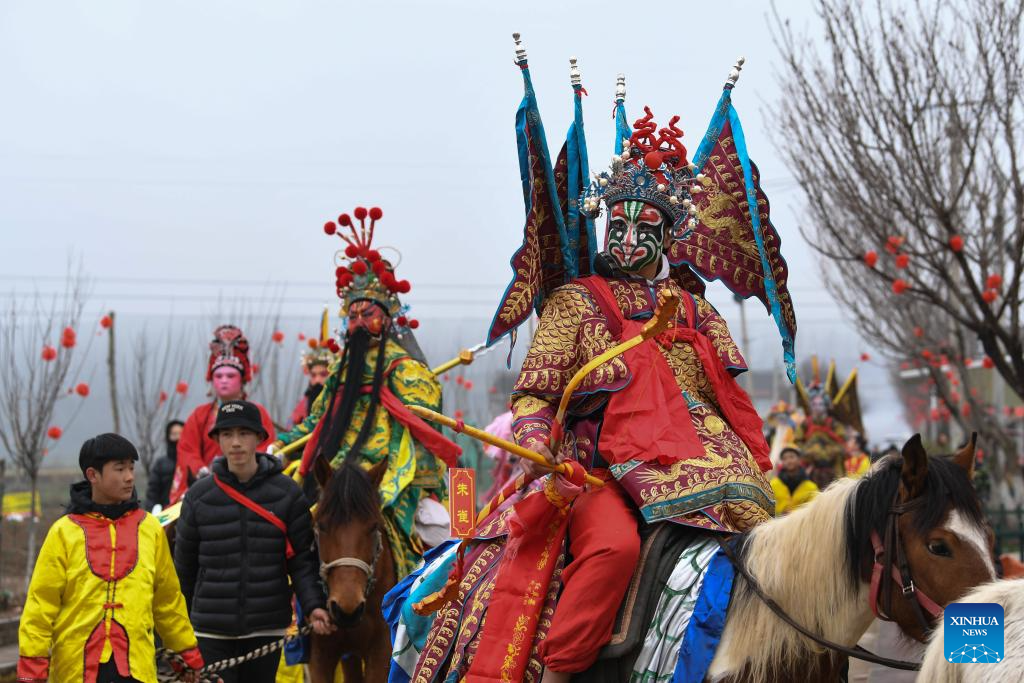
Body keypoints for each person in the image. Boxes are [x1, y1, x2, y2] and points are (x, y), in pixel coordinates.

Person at [272, 206, 460, 578]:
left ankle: (445, 609)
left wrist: (406, 415)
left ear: (386, 318)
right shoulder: (340, 372)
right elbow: (314, 422)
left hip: (393, 477)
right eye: (353, 315)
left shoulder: (406, 369)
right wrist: (278, 446)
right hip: (337, 475)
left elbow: (424, 426)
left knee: (445, 539)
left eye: (368, 314)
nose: (359, 322)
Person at [18, 433, 203, 683]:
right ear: (93, 475)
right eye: (119, 469)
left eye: (131, 468)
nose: (129, 477)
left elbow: (167, 601)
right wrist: (33, 665)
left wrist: (186, 654)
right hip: (76, 669)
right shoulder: (64, 532)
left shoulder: (149, 529)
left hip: (136, 667)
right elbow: (41, 604)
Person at [173, 400, 332, 683]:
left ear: (260, 437)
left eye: (244, 433)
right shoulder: (198, 497)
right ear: (217, 440)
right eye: (227, 434)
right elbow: (184, 569)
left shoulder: (287, 494)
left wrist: (313, 606)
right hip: (210, 630)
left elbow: (302, 562)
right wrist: (178, 632)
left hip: (266, 628)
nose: (236, 443)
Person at [169, 324, 276, 503]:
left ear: (242, 380)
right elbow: (187, 450)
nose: (224, 381)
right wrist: (202, 471)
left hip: (251, 487)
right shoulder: (199, 415)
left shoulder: (258, 413)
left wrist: (243, 469)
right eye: (218, 376)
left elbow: (267, 447)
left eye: (230, 376)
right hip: (206, 487)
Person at [144, 419, 183, 510]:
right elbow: (152, 492)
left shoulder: (193, 463)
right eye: (174, 434)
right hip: (165, 511)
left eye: (181, 433)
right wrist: (153, 510)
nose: (178, 437)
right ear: (168, 437)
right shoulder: (161, 464)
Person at [770, 446, 819, 515]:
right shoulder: (773, 484)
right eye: (784, 458)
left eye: (791, 457)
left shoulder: (811, 487)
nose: (788, 461)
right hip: (778, 521)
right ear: (782, 462)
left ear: (799, 460)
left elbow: (815, 510)